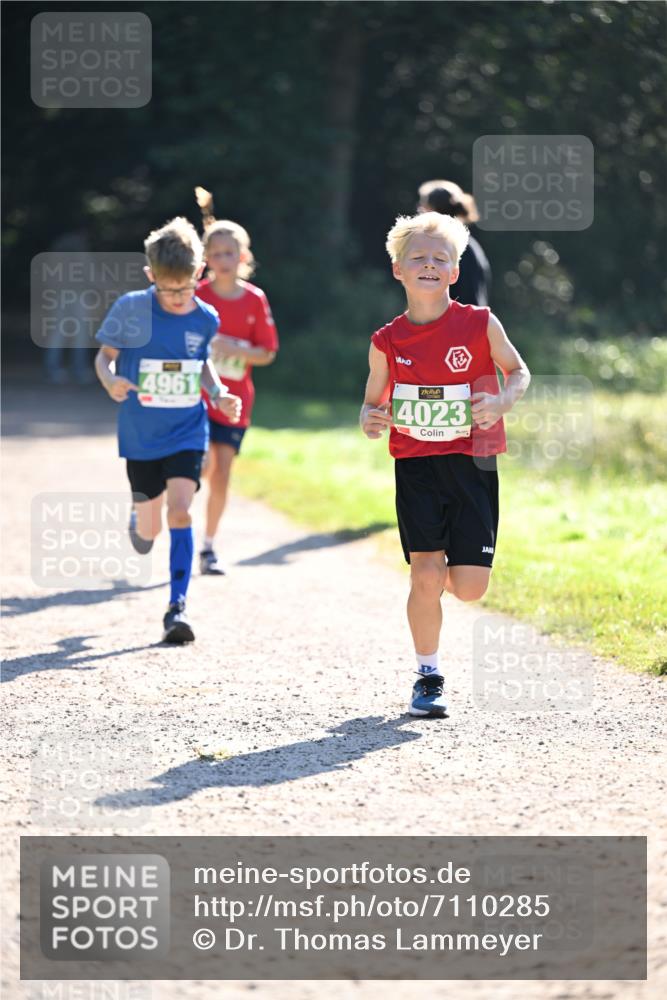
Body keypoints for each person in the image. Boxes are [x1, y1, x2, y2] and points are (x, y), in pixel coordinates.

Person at [360, 212, 530, 718]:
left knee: (471, 588)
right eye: (419, 258)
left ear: (456, 271)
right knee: (426, 574)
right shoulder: (386, 341)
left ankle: (442, 577)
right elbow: (372, 404)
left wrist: (501, 402)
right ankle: (428, 675)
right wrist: (371, 419)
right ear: (398, 269)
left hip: (472, 463)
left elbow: (518, 371)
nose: (429, 265)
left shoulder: (479, 323)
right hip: (416, 466)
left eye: (441, 259)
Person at [94, 216, 241, 643]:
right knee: (150, 529)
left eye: (185, 288)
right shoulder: (130, 309)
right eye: (167, 288)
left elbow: (202, 364)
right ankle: (140, 523)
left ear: (200, 274)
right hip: (140, 434)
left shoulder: (206, 317)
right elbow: (104, 358)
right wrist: (110, 379)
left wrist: (218, 392)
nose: (177, 298)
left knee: (180, 509)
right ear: (150, 276)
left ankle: (177, 608)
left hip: (186, 429)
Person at [193, 187, 278, 575]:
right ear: (205, 259)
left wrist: (233, 346)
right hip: (195, 397)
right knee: (204, 464)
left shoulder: (254, 299)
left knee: (222, 470)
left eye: (230, 253)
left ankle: (208, 545)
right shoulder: (196, 296)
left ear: (243, 257)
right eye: (216, 253)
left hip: (235, 398)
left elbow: (267, 353)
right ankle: (178, 511)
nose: (223, 260)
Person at [417, 179, 491, 307]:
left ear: (431, 210)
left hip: (460, 325)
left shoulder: (455, 247)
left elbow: (467, 299)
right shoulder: (466, 245)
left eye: (423, 206)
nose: (420, 211)